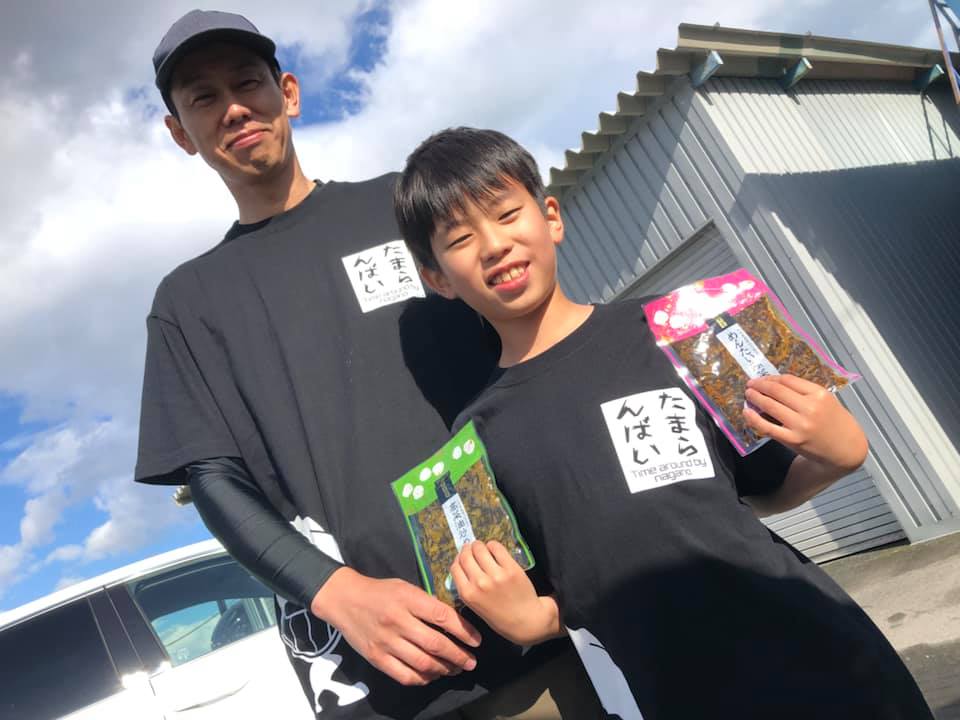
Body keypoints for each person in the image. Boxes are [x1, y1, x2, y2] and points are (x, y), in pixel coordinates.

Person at [135, 11, 603, 720]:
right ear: (180, 133)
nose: (233, 108)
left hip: (524, 629)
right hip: (373, 678)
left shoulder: (402, 209)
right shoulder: (188, 303)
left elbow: (530, 342)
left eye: (248, 83)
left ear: (288, 93)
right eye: (204, 97)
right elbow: (213, 480)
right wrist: (339, 593)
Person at [393, 126, 935, 720]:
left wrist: (841, 453)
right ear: (437, 277)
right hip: (674, 694)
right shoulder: (475, 440)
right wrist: (534, 620)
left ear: (550, 217)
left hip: (825, 658)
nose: (494, 244)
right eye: (461, 238)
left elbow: (764, 491)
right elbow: (575, 588)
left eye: (506, 214)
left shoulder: (674, 331)